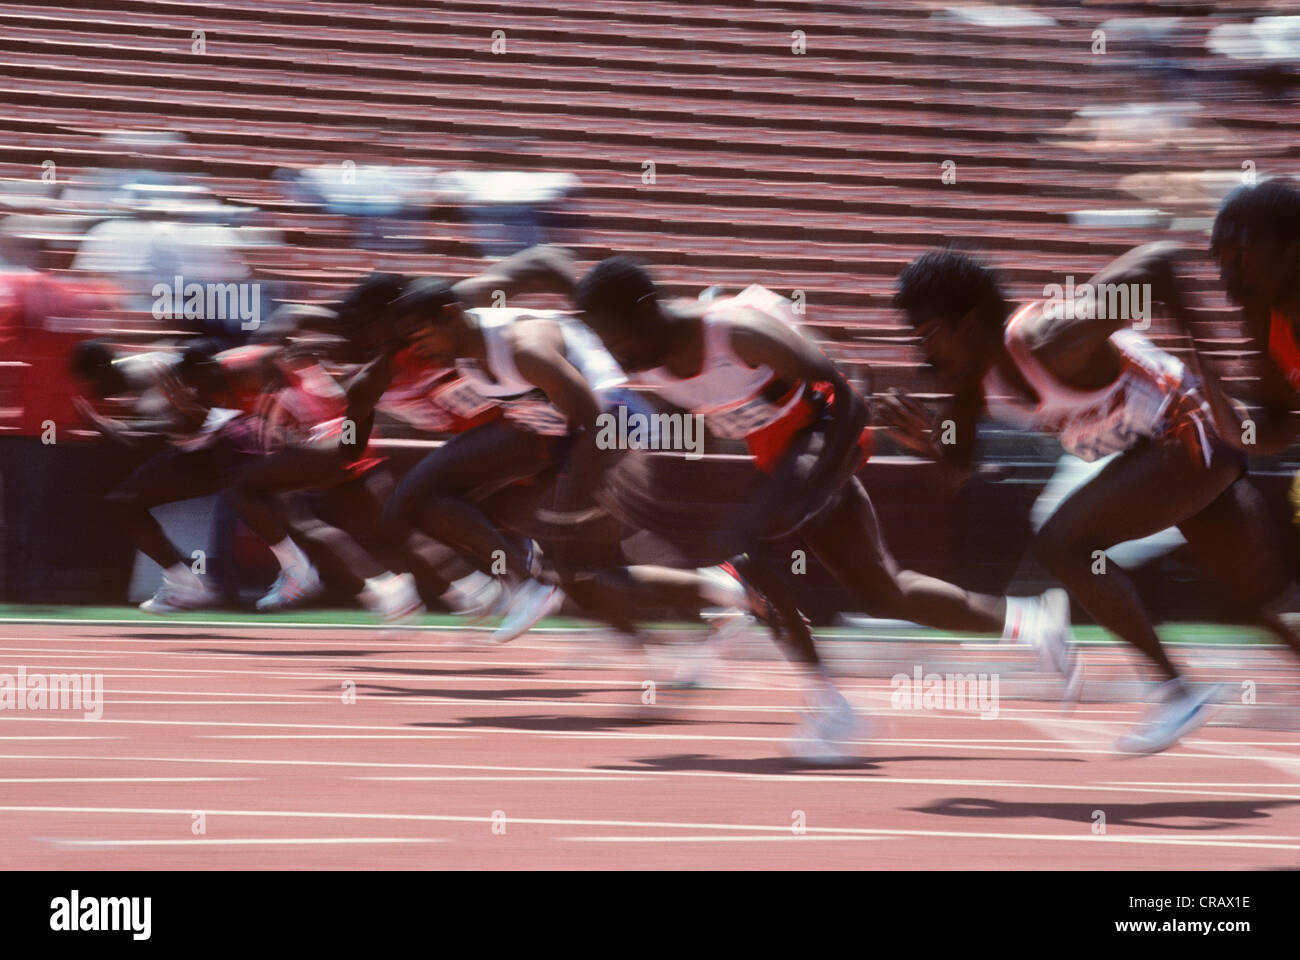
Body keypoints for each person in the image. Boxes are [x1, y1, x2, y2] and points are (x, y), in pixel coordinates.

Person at [573, 256, 1076, 762]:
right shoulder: (649, 365)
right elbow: (693, 418)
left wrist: (816, 481)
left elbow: (849, 397)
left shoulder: (736, 332)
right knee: (884, 592)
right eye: (608, 349)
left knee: (752, 537)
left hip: (831, 428)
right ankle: (1030, 621)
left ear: (645, 311)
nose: (619, 359)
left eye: (619, 343)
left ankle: (831, 702)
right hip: (779, 454)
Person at [885, 243, 1300, 754]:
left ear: (968, 321)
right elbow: (955, 470)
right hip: (1163, 455)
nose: (921, 355)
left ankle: (1177, 692)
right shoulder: (966, 392)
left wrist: (1204, 363)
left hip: (1189, 430)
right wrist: (929, 443)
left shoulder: (1050, 337)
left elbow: (1160, 262)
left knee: (1065, 544)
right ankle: (1180, 690)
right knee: (1258, 604)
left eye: (927, 336)